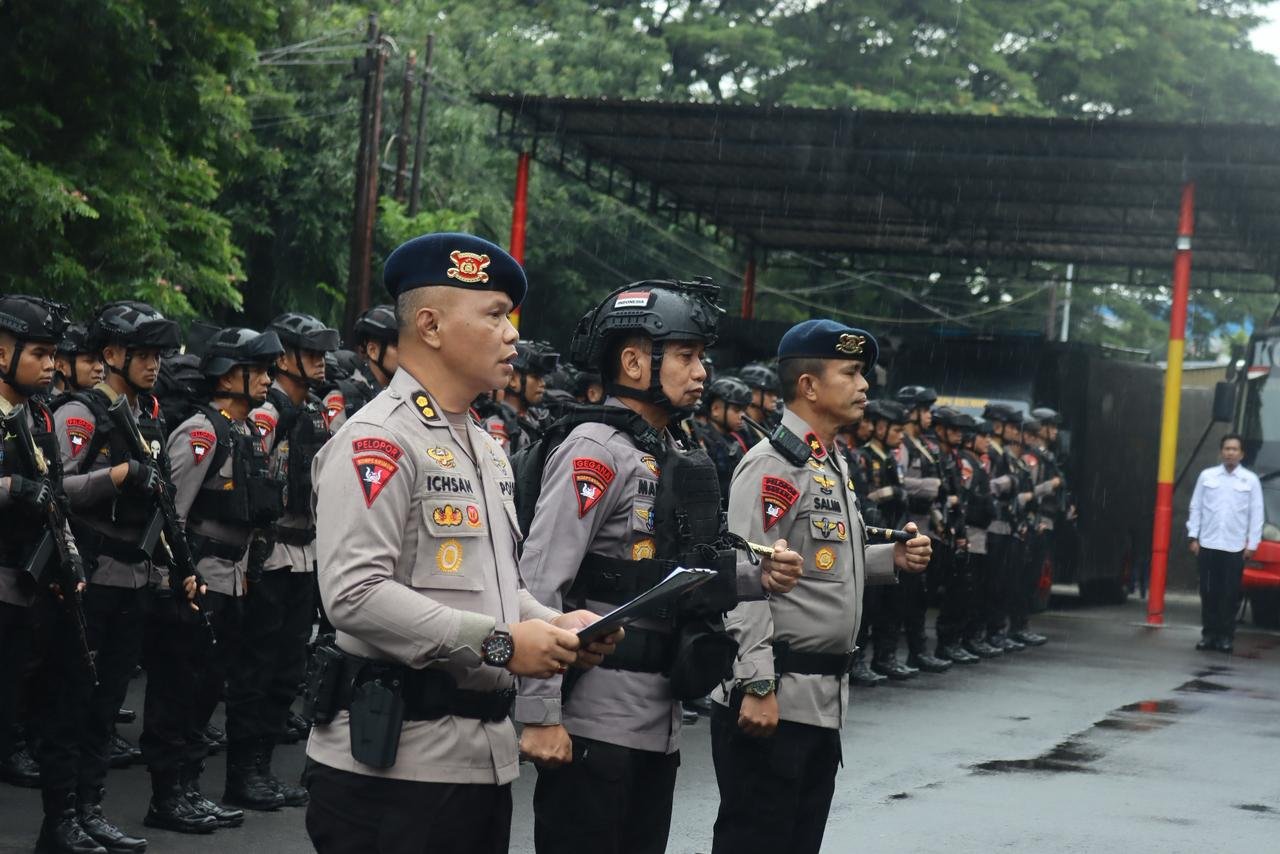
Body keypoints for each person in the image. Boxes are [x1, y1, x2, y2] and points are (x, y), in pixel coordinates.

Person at [302, 232, 620, 854]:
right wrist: (503, 644)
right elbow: (354, 595)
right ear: (430, 325)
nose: (513, 338)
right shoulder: (379, 441)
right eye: (496, 315)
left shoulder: (485, 446)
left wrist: (556, 626)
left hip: (479, 764)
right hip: (393, 774)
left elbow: (494, 585)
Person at [515, 278, 803, 854]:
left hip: (659, 721)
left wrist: (756, 576)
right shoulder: (594, 448)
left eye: (702, 356)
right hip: (597, 722)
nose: (701, 371)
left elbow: (676, 572)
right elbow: (541, 582)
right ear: (632, 360)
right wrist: (540, 712)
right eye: (686, 355)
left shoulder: (666, 449)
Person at [711, 319, 932, 854]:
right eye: (852, 373)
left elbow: (822, 560)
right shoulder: (773, 466)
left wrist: (889, 558)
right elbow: (743, 583)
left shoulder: (828, 462)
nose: (864, 387)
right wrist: (757, 684)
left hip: (820, 703)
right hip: (777, 698)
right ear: (809, 386)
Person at [49, 300, 187, 853]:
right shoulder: (81, 414)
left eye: (158, 354)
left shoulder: (148, 414)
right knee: (73, 703)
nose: (154, 363)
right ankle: (59, 821)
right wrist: (120, 474)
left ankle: (91, 810)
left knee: (106, 706)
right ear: (111, 355)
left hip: (134, 577)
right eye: (143, 353)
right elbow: (60, 490)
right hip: (90, 577)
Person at [160, 325, 286, 821]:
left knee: (209, 687)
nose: (267, 380)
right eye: (258, 370)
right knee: (181, 689)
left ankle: (189, 788)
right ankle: (168, 794)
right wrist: (180, 578)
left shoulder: (245, 430)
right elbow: (172, 514)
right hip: (198, 578)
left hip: (233, 578)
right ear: (230, 374)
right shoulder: (201, 431)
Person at [0, 296, 105, 854]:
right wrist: (15, 489)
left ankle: (59, 824)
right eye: (39, 353)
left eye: (53, 354)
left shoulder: (41, 415)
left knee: (63, 700)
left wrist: (68, 562)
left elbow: (57, 494)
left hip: (39, 585)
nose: (51, 365)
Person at [239, 312, 342, 808]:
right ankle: (244, 772)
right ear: (284, 358)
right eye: (312, 354)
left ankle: (262, 766)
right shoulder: (267, 414)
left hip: (308, 552)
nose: (321, 364)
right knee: (256, 667)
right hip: (271, 553)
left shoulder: (319, 411)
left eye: (324, 354)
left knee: (287, 669)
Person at [1188, 433, 1263, 654]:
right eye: (1227, 449)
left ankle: (1225, 637)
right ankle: (1208, 635)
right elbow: (1196, 507)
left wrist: (1252, 544)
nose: (1230, 453)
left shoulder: (1250, 480)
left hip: (1234, 547)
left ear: (1241, 454)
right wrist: (1193, 537)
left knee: (1229, 594)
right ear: (1221, 452)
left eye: (1234, 449)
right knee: (1208, 592)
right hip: (1208, 545)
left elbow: (1256, 514)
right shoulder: (1207, 476)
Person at [481, 339, 559, 455]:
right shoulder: (499, 426)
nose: (542, 383)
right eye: (535, 377)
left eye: (542, 378)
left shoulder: (536, 419)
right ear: (513, 380)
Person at [328, 304, 399, 430]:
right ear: (373, 350)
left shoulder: (401, 393)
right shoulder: (345, 397)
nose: (406, 353)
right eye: (396, 345)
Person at [693, 374, 751, 505]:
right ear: (716, 409)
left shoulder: (737, 437)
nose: (742, 416)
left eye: (743, 410)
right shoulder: (702, 440)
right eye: (736, 410)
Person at [735, 362, 780, 448]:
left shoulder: (767, 422)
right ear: (751, 394)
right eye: (769, 393)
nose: (775, 398)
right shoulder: (740, 428)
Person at [52, 324, 105, 397]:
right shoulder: (58, 407)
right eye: (89, 360)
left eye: (101, 360)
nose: (100, 368)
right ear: (61, 366)